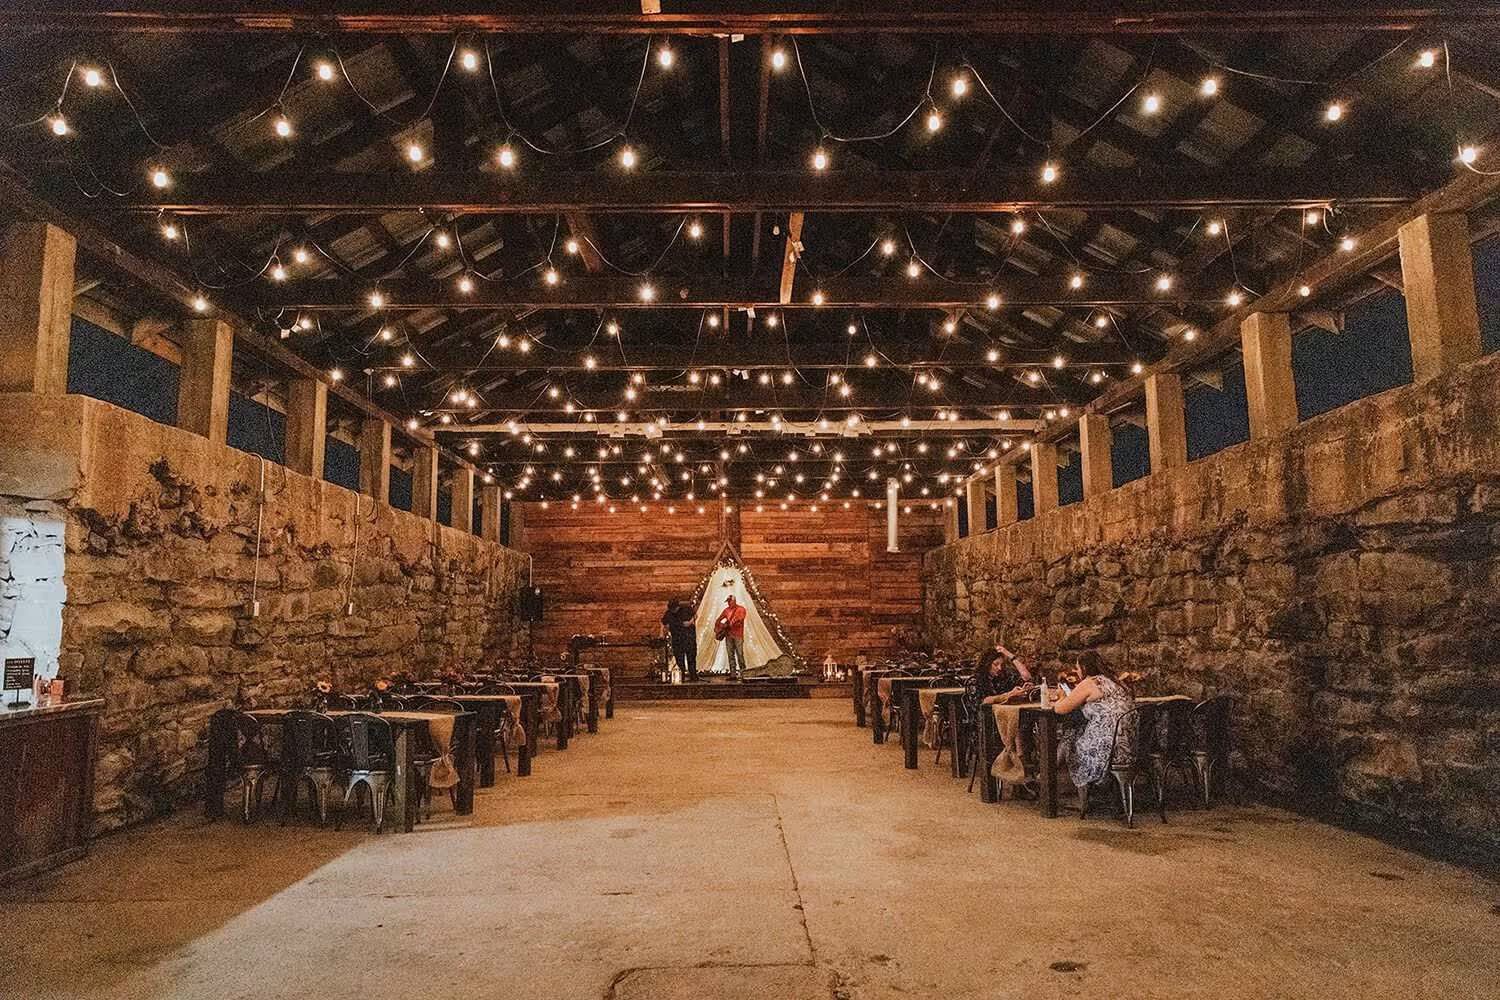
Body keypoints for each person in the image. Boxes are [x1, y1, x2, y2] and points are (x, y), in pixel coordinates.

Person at [1051, 651, 1135, 798]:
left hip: (1106, 749)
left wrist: (1061, 696)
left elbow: (1060, 709)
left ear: (1084, 667)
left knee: (1069, 736)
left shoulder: (1089, 683)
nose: (1077, 672)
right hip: (1130, 747)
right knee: (1077, 732)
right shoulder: (1116, 681)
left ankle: (1051, 779)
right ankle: (1095, 792)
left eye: (1077, 668)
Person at [661, 598, 698, 682]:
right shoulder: (669, 613)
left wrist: (690, 622)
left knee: (691, 658)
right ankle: (681, 677)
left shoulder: (686, 609)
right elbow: (664, 623)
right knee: (679, 659)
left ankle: (693, 677)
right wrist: (663, 633)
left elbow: (695, 615)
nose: (673, 610)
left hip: (689, 638)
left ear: (677, 606)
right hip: (677, 639)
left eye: (674, 609)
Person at [715, 595, 748, 679]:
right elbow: (718, 620)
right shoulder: (726, 610)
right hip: (728, 635)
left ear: (734, 601)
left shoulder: (741, 609)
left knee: (740, 654)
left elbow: (740, 621)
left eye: (730, 601)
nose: (729, 603)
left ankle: (744, 673)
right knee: (730, 655)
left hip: (738, 635)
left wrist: (731, 624)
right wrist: (720, 626)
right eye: (728, 601)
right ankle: (733, 674)